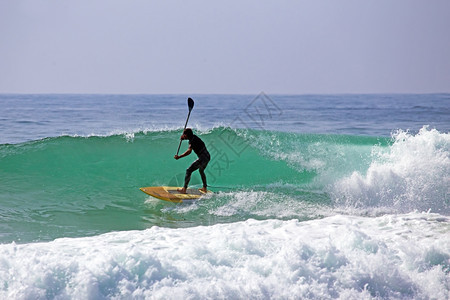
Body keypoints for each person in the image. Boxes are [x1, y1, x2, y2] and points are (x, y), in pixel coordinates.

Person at [174, 128, 210, 193]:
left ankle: (184, 189)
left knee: (189, 170)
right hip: (207, 157)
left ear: (187, 135)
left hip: (202, 158)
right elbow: (190, 140)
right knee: (201, 170)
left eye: (184, 135)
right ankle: (204, 188)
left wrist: (179, 157)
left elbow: (189, 151)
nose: (183, 136)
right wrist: (184, 138)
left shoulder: (192, 141)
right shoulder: (194, 137)